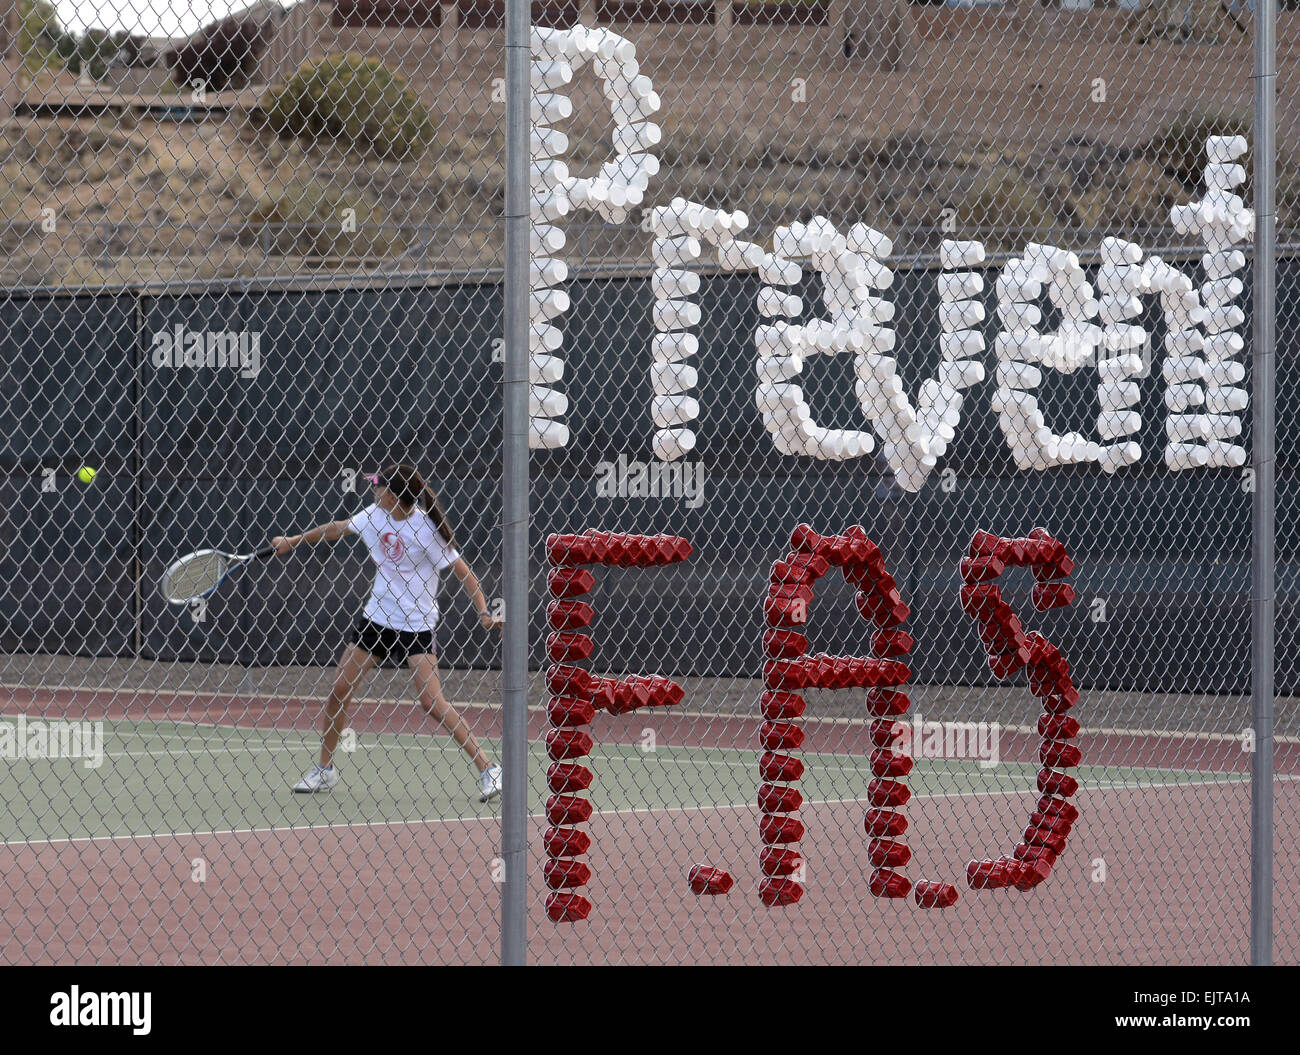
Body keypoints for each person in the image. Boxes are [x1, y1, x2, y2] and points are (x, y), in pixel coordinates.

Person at [274, 464, 504, 802]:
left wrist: (484, 613)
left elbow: (465, 573)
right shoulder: (374, 514)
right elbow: (337, 528)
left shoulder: (426, 528)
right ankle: (324, 771)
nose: (372, 490)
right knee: (339, 690)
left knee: (431, 702)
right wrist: (293, 541)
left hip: (415, 625)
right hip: (377, 618)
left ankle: (489, 769)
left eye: (378, 487)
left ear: (393, 496)